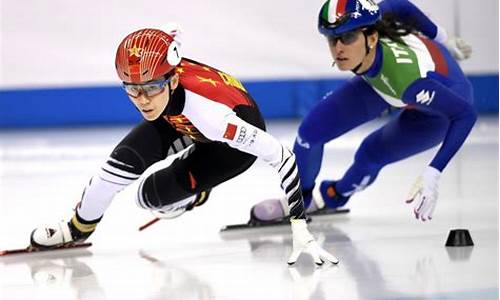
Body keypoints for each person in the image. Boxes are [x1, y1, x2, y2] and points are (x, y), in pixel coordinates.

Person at [30, 27, 338, 265]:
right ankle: (76, 229)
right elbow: (160, 51)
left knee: (151, 198)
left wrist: (300, 227)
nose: (143, 100)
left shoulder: (214, 118)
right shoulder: (162, 83)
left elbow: (282, 157)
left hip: (229, 145)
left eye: (150, 88)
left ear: (173, 80)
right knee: (116, 172)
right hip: (177, 117)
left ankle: (196, 194)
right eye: (132, 90)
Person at [251, 0, 476, 223]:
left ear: (372, 37)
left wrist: (434, 171)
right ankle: (300, 202)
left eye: (348, 38)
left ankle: (333, 197)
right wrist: (443, 38)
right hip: (383, 79)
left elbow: (465, 114)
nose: (338, 48)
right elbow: (399, 5)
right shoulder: (372, 18)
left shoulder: (407, 82)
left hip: (439, 111)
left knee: (370, 153)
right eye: (332, 39)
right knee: (310, 133)